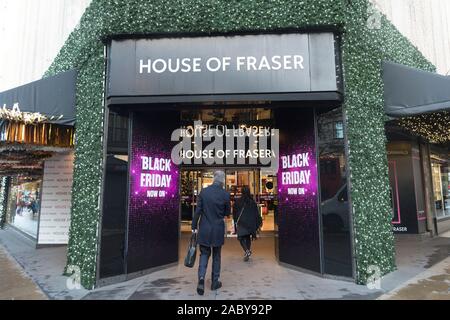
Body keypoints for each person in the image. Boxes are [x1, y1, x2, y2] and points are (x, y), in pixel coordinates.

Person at [192, 170, 231, 295]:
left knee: (204, 254)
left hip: (204, 229)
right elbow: (227, 213)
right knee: (216, 255)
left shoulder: (204, 192)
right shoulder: (225, 194)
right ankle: (215, 282)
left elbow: (197, 211)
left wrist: (194, 226)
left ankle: (201, 279)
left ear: (213, 178)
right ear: (223, 180)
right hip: (218, 229)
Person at [233, 186, 262, 262]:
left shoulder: (238, 201)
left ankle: (247, 251)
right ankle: (247, 251)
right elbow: (256, 214)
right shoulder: (252, 202)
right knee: (248, 237)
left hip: (241, 223)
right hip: (250, 223)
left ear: (242, 192)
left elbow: (234, 213)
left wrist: (235, 220)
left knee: (241, 237)